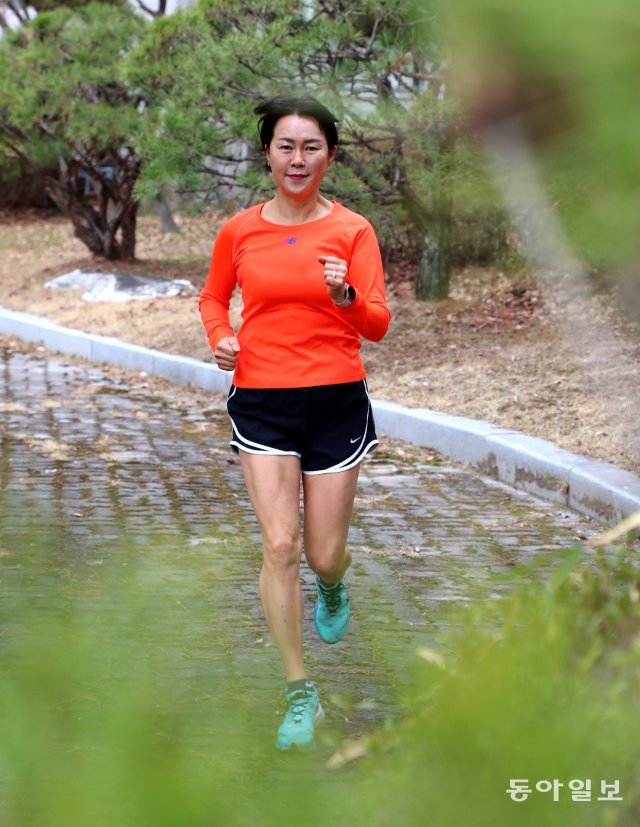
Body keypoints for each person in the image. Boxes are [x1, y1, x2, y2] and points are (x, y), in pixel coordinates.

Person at [199, 94, 390, 751]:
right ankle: (298, 689)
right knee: (278, 545)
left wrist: (346, 295)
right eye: (286, 145)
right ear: (268, 153)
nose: (298, 158)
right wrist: (221, 336)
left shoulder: (354, 231)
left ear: (330, 156)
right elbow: (213, 296)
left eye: (312, 147)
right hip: (262, 401)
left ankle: (333, 582)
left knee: (319, 551)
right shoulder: (239, 230)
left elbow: (378, 324)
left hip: (336, 399)